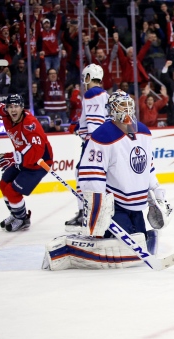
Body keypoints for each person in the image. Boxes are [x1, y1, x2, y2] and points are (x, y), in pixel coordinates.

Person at [42, 92, 172, 271]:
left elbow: (148, 167)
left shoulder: (144, 132)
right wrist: (99, 204)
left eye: (128, 104)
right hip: (115, 205)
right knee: (125, 244)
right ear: (111, 110)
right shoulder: (103, 135)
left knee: (140, 238)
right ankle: (71, 248)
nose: (126, 109)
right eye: (120, 105)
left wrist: (156, 193)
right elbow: (92, 173)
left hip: (136, 205)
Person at [0, 94, 53, 232]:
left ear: (22, 108)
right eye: (10, 107)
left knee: (12, 190)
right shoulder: (6, 114)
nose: (13, 109)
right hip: (21, 159)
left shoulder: (30, 124)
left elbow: (37, 151)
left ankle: (23, 220)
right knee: (3, 184)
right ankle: (17, 214)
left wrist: (16, 158)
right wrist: (17, 158)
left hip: (39, 163)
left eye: (16, 106)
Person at [64, 64, 111, 231]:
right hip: (103, 141)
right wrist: (77, 127)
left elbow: (94, 123)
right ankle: (98, 210)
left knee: (82, 174)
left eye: (85, 78)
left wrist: (92, 143)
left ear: (89, 77)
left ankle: (85, 211)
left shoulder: (91, 93)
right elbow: (91, 120)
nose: (84, 82)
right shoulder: (104, 94)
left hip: (94, 143)